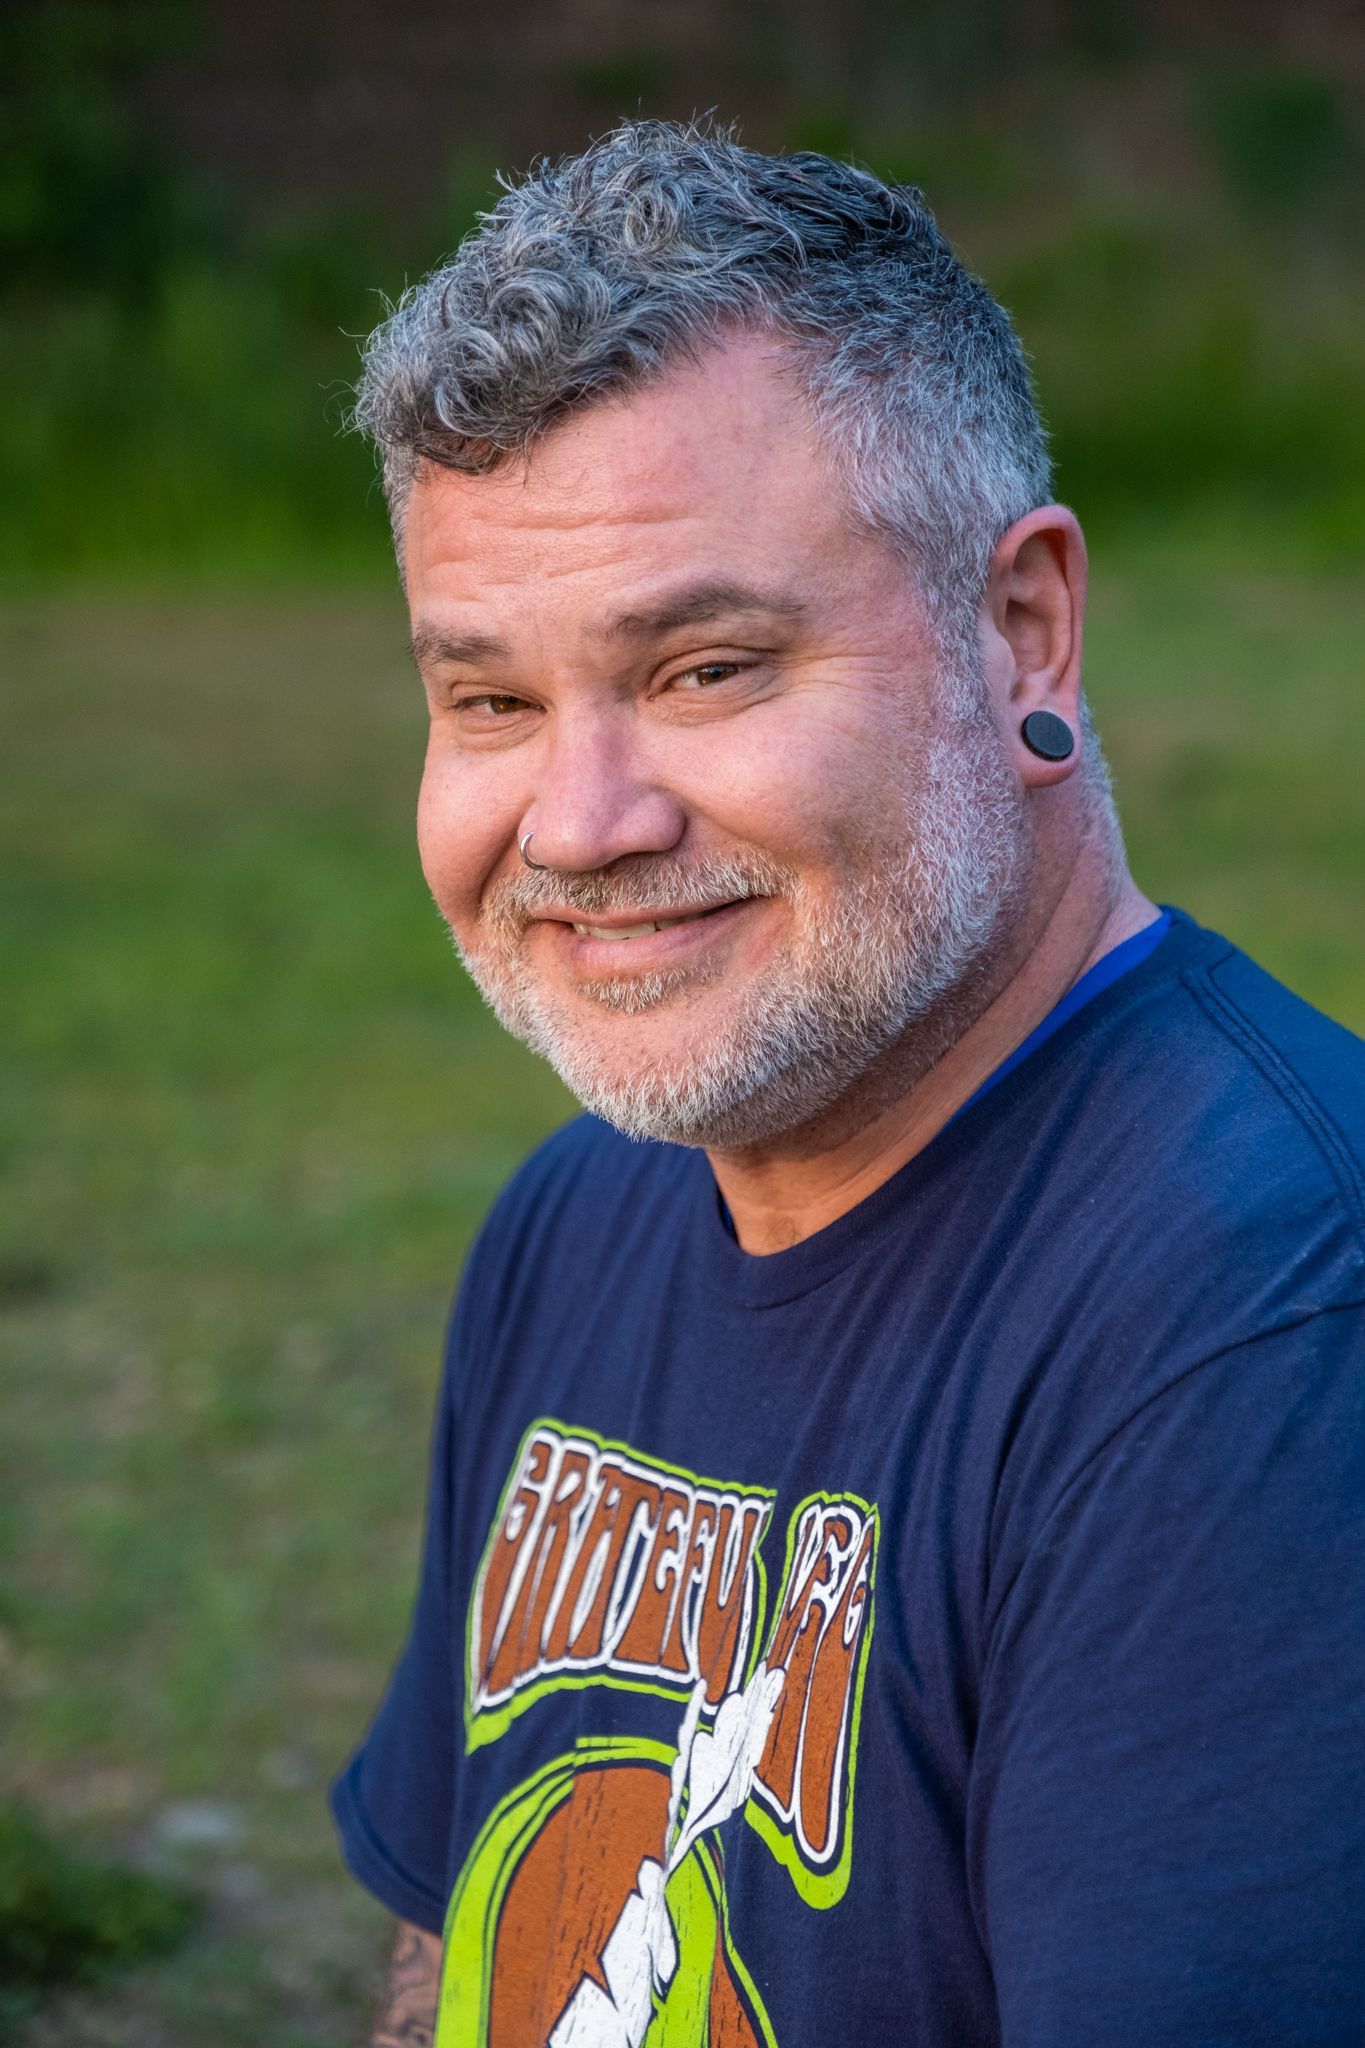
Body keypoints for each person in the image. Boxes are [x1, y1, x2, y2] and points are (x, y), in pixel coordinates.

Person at [329, 121, 1365, 2048]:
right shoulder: (578, 1215)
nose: (579, 821)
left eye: (708, 667)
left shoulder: (1263, 1334)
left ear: (1021, 627)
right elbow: (453, 1947)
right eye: (487, 699)